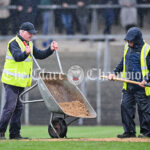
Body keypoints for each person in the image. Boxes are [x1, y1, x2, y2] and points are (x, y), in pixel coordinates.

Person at [0, 22, 58, 140]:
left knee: (18, 108)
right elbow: (17, 57)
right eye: (29, 33)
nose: (31, 35)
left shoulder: (29, 44)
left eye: (33, 33)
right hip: (11, 81)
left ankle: (14, 134)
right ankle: (1, 132)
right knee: (10, 107)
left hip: (20, 82)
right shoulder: (14, 43)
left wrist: (50, 49)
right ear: (22, 32)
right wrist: (26, 53)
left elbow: (40, 55)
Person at [108, 27, 150, 138]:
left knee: (144, 111)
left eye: (131, 40)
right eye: (128, 40)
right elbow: (123, 62)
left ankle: (147, 133)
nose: (129, 42)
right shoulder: (127, 47)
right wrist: (114, 72)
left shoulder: (147, 50)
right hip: (128, 86)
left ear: (137, 39)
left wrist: (146, 80)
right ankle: (129, 132)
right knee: (125, 106)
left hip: (142, 87)